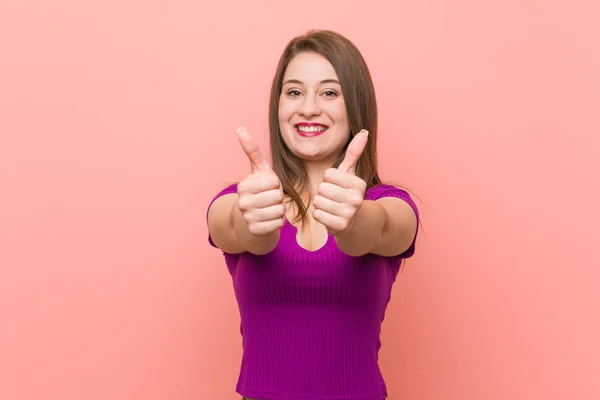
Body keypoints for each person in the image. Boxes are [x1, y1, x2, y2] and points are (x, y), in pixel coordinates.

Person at [206, 29, 419, 400]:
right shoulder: (241, 199)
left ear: (356, 104)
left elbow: (380, 228)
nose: (308, 108)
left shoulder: (391, 204)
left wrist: (353, 220)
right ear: (278, 106)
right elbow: (237, 228)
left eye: (329, 92)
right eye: (294, 92)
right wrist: (254, 220)